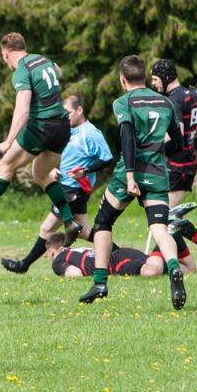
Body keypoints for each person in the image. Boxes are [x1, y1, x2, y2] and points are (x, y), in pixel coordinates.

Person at [0, 33, 83, 244]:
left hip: (42, 127)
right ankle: (69, 220)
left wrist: (9, 140)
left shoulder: (22, 70)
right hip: (62, 126)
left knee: (5, 166)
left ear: (6, 54)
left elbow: (22, 110)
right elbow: (58, 71)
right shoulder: (43, 61)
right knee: (40, 174)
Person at [78, 55, 187, 310]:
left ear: (122, 79)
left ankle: (100, 283)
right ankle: (173, 268)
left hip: (130, 173)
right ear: (144, 76)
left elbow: (127, 137)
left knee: (104, 221)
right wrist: (157, 154)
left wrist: (129, 175)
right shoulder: (165, 102)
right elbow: (179, 143)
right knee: (160, 228)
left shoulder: (123, 102)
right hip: (158, 173)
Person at [1, 94, 113, 274]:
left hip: (74, 190)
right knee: (83, 231)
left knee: (46, 228)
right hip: (66, 187)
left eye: (68, 113)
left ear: (79, 110)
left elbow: (107, 158)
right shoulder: (67, 131)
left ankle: (23, 265)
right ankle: (116, 253)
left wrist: (85, 171)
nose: (65, 117)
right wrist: (53, 169)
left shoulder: (90, 133)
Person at [150, 59, 197, 270]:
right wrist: (189, 139)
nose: (154, 85)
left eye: (155, 80)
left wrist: (151, 147)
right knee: (168, 217)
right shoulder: (191, 95)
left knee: (166, 218)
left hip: (177, 165)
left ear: (165, 77)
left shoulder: (173, 100)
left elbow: (176, 136)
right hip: (189, 162)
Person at [46, 232, 196, 278]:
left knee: (151, 272)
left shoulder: (58, 260)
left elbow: (76, 274)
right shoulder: (77, 250)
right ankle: (173, 236)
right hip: (123, 254)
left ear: (52, 252)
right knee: (187, 271)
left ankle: (169, 234)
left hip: (117, 263)